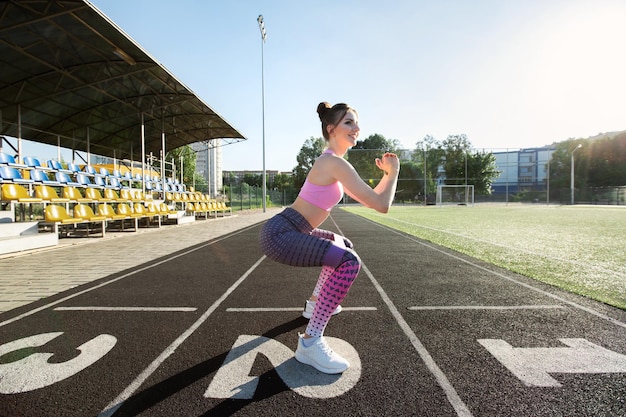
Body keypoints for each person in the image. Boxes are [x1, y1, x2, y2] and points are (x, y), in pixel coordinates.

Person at [259, 102, 399, 374]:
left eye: (356, 122)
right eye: (349, 122)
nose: (356, 128)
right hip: (282, 232)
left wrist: (387, 176)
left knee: (342, 245)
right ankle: (310, 343)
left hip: (293, 228)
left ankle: (315, 304)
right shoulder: (333, 162)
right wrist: (393, 174)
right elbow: (382, 204)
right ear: (331, 128)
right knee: (349, 262)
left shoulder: (332, 162)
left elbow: (374, 200)